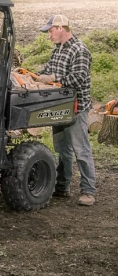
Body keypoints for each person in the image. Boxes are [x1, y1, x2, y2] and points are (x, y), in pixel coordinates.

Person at [37, 14, 96, 206]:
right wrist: (35, 76)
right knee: (62, 150)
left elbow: (78, 77)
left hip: (76, 108)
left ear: (61, 28)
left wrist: (54, 79)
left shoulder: (79, 50)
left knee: (81, 150)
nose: (49, 35)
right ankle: (62, 187)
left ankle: (88, 191)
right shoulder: (58, 50)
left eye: (51, 31)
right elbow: (48, 69)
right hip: (59, 106)